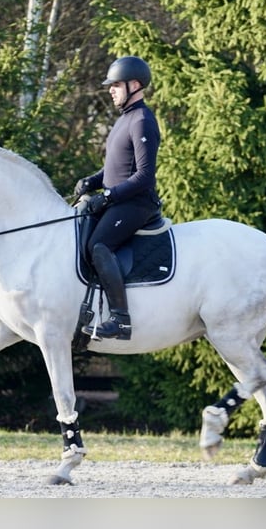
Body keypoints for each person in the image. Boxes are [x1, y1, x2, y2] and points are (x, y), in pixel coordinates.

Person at [74, 55, 162, 340]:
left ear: (134, 85)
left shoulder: (142, 120)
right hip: (120, 199)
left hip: (137, 203)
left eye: (115, 85)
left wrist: (108, 196)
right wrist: (93, 181)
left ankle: (121, 320)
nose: (110, 90)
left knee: (99, 245)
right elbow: (117, 166)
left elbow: (144, 176)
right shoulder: (124, 119)